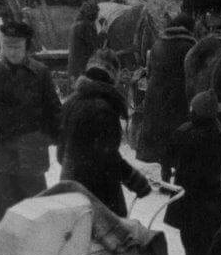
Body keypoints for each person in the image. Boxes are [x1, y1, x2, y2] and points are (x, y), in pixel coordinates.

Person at [0, 20, 63, 224]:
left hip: (32, 155)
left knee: (37, 213)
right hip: (0, 156)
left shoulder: (40, 73)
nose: (12, 52)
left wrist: (60, 137)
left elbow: (53, 109)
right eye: (8, 46)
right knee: (6, 215)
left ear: (26, 47)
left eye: (17, 47)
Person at [58, 55, 151, 217]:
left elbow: (60, 153)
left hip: (70, 188)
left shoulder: (70, 102)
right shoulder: (105, 108)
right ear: (113, 76)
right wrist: (136, 180)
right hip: (100, 194)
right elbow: (108, 158)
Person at [164, 90, 221, 255]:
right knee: (211, 239)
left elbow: (167, 157)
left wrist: (166, 177)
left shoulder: (184, 132)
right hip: (211, 198)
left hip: (186, 196)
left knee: (190, 241)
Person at [136, 14, 197, 181]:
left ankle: (164, 174)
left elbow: (149, 71)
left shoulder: (159, 43)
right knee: (180, 135)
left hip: (156, 98)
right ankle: (179, 175)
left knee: (162, 136)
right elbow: (193, 74)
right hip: (178, 98)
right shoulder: (189, 46)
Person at [67, 0, 100, 80]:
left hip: (74, 68)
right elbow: (94, 46)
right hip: (83, 69)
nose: (97, 16)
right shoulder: (85, 26)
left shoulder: (76, 24)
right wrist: (103, 33)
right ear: (91, 14)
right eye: (96, 13)